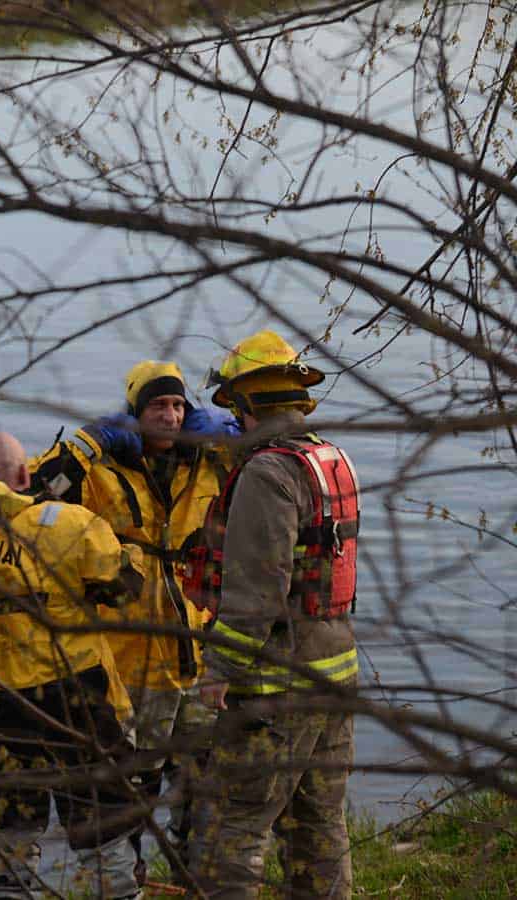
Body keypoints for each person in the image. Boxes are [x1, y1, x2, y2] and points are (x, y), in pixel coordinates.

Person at [28, 361, 238, 881]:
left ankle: (198, 878)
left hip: (196, 650)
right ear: (134, 413)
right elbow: (34, 497)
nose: (170, 416)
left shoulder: (206, 462)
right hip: (128, 658)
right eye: (157, 406)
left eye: (178, 406)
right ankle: (132, 881)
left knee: (205, 778)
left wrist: (232, 433)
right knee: (132, 784)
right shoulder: (102, 471)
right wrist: (86, 443)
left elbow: (269, 468)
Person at [0, 432, 147, 899]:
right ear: (24, 475)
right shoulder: (71, 523)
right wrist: (133, 554)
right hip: (74, 696)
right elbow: (123, 589)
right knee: (103, 821)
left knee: (7, 828)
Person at [188, 331, 361, 900]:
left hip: (276, 685)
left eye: (235, 409)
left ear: (248, 404)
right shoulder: (331, 460)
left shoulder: (267, 473)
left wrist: (219, 670)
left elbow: (258, 591)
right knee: (319, 825)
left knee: (234, 826)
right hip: (335, 671)